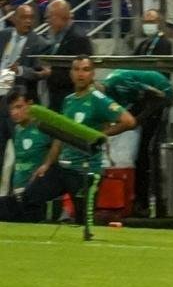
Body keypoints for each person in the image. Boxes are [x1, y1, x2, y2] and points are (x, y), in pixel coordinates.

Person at [18, 57, 136, 229]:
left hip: (85, 170)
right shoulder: (69, 100)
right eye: (77, 69)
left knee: (84, 220)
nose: (81, 74)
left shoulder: (98, 99)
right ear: (71, 74)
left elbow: (129, 121)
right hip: (64, 167)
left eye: (86, 70)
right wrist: (47, 164)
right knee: (30, 197)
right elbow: (61, 135)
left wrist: (100, 135)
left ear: (93, 74)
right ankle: (36, 235)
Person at [97, 69, 173, 219]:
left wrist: (139, 119)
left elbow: (156, 94)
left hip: (161, 93)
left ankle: (148, 205)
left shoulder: (118, 82)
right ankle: (140, 203)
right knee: (139, 146)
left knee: (147, 151)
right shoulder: (109, 97)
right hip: (146, 100)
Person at [0, 88, 54, 222]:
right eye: (11, 109)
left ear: (30, 104)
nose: (14, 113)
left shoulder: (44, 127)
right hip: (17, 194)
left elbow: (57, 147)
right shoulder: (16, 130)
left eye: (19, 107)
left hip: (37, 197)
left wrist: (46, 165)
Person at [0, 4, 45, 159]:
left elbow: (41, 72)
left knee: (21, 151)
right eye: (24, 17)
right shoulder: (3, 35)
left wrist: (19, 70)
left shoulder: (39, 43)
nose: (28, 21)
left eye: (31, 18)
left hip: (20, 105)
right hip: (1, 98)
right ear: (14, 18)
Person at [40, 0, 93, 111]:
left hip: (70, 101)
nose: (47, 22)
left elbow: (82, 73)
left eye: (49, 17)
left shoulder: (78, 38)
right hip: (57, 99)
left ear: (59, 16)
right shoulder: (59, 36)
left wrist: (51, 73)